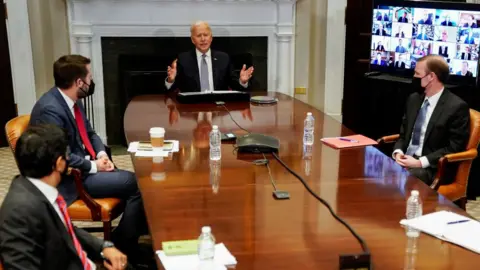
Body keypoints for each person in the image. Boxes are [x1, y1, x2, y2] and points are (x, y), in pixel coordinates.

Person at [29, 55, 148, 263]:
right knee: (135, 183)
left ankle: (132, 234)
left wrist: (101, 154)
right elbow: (60, 156)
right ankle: (124, 244)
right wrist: (93, 166)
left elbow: (90, 133)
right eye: (90, 78)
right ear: (79, 83)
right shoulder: (51, 110)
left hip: (85, 164)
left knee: (140, 179)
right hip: (69, 178)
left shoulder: (72, 100)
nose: (91, 82)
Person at [0, 124, 128, 270]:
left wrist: (104, 246)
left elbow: (66, 230)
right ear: (60, 163)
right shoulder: (19, 213)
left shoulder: (40, 190)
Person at [393, 55, 469, 185]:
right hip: (407, 159)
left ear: (431, 77)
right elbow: (403, 134)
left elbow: (455, 147)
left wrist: (420, 162)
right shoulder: (414, 99)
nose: (414, 77)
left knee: (402, 179)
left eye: (417, 73)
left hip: (433, 168)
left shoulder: (456, 107)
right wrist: (398, 152)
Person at [164, 21, 254, 92]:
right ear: (192, 39)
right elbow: (172, 90)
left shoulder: (223, 58)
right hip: (191, 106)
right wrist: (171, 81)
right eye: (199, 36)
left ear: (211, 38)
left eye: (206, 35)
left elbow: (234, 85)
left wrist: (242, 81)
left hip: (219, 107)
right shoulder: (183, 59)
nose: (203, 39)